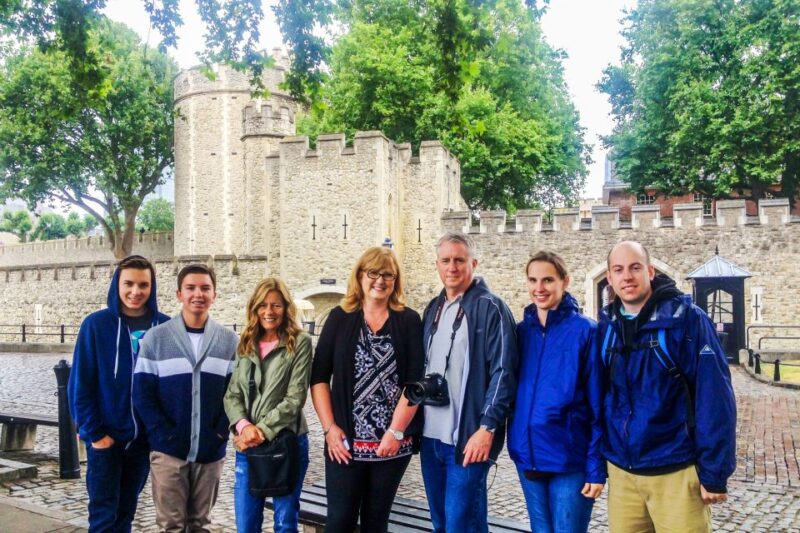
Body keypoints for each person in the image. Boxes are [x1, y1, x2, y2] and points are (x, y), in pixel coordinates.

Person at [600, 241, 736, 533]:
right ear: (609, 278)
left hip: (676, 470)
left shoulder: (688, 320)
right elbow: (601, 398)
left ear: (650, 271)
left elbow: (715, 398)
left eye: (635, 268)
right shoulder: (606, 327)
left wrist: (714, 472)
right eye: (619, 270)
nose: (627, 276)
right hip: (624, 475)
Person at [310, 246, 424, 533]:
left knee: (376, 522)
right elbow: (319, 377)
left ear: (396, 280)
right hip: (344, 444)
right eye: (373, 273)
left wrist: (396, 433)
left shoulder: (409, 320)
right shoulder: (339, 317)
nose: (380, 280)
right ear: (360, 276)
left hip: (391, 446)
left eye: (388, 274)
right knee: (339, 521)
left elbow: (414, 384)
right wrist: (329, 429)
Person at [419, 231, 518, 533]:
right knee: (441, 523)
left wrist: (487, 428)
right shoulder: (432, 309)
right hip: (430, 437)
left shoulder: (491, 307)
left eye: (459, 260)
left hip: (468, 439)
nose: (452, 267)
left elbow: (504, 372)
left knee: (462, 526)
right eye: (446, 260)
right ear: (437, 264)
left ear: (473, 263)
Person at [132, 264, 239, 532]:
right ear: (179, 294)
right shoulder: (156, 339)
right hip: (168, 452)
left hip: (210, 451)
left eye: (205, 288)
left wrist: (219, 432)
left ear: (214, 294)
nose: (198, 294)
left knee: (200, 524)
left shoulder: (228, 341)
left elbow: (235, 393)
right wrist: (162, 433)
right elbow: (142, 393)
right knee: (171, 525)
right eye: (190, 288)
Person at [68, 255, 170, 533]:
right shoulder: (96, 325)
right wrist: (95, 434)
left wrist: (158, 433)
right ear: (117, 284)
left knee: (126, 513)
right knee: (103, 517)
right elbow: (81, 384)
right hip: (106, 439)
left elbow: (172, 388)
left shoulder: (165, 328)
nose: (135, 292)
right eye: (129, 283)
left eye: (143, 285)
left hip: (142, 443)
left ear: (152, 287)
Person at [507, 251, 605, 533]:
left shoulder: (586, 332)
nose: (539, 288)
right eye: (533, 280)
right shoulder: (520, 332)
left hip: (569, 459)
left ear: (565, 281)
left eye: (548, 280)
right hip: (528, 455)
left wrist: (595, 466)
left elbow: (599, 404)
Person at [223, 277, 313, 533]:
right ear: (254, 308)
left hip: (286, 442)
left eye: (276, 305)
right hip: (247, 446)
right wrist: (243, 426)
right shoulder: (246, 343)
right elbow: (232, 395)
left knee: (285, 523)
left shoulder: (299, 343)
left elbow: (295, 399)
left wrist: (258, 431)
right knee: (246, 524)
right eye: (263, 305)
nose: (269, 311)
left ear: (286, 308)